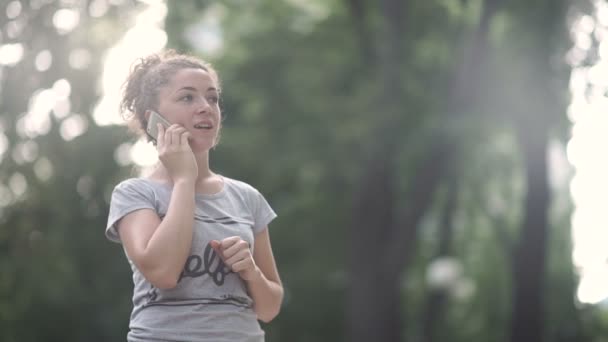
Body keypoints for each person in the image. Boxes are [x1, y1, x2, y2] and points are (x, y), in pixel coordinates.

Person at [105, 50, 283, 342]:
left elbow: (270, 308)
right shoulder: (134, 194)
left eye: (212, 98)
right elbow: (163, 272)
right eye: (187, 98)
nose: (205, 107)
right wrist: (184, 179)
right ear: (154, 120)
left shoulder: (247, 197)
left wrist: (251, 271)